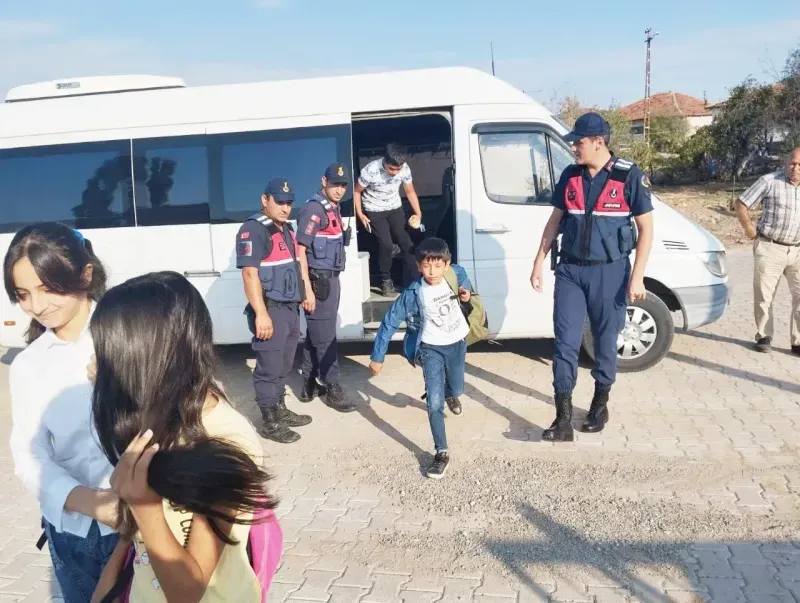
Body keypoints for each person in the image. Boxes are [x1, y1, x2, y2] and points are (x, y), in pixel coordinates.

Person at [88, 271, 277, 603]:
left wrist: (143, 505)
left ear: (147, 357)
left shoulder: (225, 438)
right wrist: (109, 580)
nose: (96, 366)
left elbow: (189, 591)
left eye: (108, 355)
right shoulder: (157, 416)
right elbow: (135, 537)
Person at [3, 222, 121, 602]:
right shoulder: (29, 364)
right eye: (23, 294)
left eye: (48, 288)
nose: (37, 306)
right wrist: (90, 502)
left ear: (85, 274)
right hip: (72, 532)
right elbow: (29, 452)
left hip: (143, 524)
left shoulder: (127, 336)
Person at [530, 112, 654, 441]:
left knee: (604, 341)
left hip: (610, 272)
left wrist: (638, 277)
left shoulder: (629, 176)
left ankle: (599, 404)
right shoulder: (570, 175)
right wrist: (538, 261)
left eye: (579, 142)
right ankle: (563, 418)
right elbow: (554, 221)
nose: (574, 148)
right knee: (565, 342)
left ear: (599, 142)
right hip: (571, 270)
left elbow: (646, 230)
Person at [369, 238, 472, 479]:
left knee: (457, 388)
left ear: (446, 265)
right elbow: (390, 321)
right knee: (434, 403)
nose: (432, 271)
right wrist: (378, 356)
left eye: (437, 266)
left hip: (457, 343)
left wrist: (465, 292)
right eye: (426, 266)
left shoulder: (454, 274)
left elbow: (464, 278)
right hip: (430, 349)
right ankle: (441, 452)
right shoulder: (413, 293)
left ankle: (449, 393)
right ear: (418, 266)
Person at [236, 178, 312, 444]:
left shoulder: (285, 228)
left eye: (289, 202)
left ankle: (280, 410)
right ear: (264, 200)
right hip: (271, 309)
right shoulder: (254, 229)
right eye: (279, 202)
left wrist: (306, 292)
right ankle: (269, 422)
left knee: (284, 364)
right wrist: (261, 313)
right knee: (268, 367)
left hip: (289, 309)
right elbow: (249, 274)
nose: (285, 207)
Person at [295, 162, 357, 412]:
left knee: (317, 333)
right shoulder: (314, 209)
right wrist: (306, 290)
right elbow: (299, 251)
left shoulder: (333, 207)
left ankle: (308, 383)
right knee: (326, 338)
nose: (339, 189)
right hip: (318, 283)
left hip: (330, 280)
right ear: (324, 182)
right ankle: (332, 387)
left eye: (343, 185)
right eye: (335, 184)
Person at [734, 146, 800, 354]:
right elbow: (741, 203)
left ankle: (797, 341)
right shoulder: (770, 181)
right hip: (770, 247)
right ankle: (764, 336)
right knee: (765, 296)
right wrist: (749, 229)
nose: (795, 168)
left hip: (797, 250)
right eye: (792, 163)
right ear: (786, 162)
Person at [354, 143, 422, 296]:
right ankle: (386, 280)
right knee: (386, 244)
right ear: (384, 162)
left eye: (398, 169)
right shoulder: (371, 170)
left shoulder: (404, 169)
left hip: (394, 207)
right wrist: (360, 214)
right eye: (392, 169)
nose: (395, 172)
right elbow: (357, 191)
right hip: (374, 209)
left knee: (406, 242)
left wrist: (418, 214)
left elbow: (410, 191)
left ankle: (417, 279)